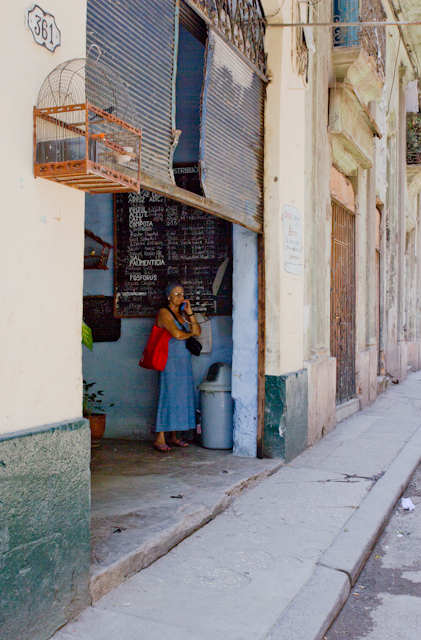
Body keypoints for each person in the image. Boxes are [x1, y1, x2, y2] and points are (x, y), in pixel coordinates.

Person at [153, 282, 201, 452]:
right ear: (168, 296)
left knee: (180, 396)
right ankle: (160, 437)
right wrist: (190, 335)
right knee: (168, 396)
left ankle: (174, 436)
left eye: (182, 293)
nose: (180, 297)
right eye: (176, 293)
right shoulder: (164, 313)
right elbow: (177, 334)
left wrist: (190, 312)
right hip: (169, 360)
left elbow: (198, 331)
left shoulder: (182, 314)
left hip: (183, 361)